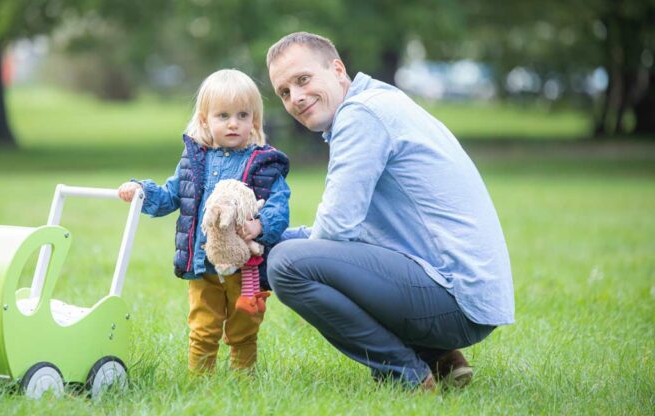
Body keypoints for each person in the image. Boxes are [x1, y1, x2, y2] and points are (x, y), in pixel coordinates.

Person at [265, 32, 514, 390]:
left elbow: (335, 231)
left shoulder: (361, 115)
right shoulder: (376, 103)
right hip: (465, 292)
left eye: (303, 80)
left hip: (458, 295)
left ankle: (407, 374)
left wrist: (273, 248)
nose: (296, 98)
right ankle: (440, 358)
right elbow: (356, 237)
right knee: (286, 253)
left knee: (286, 265)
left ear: (337, 69)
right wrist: (268, 235)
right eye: (284, 92)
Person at [118, 69, 290, 372]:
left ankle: (244, 381)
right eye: (223, 115)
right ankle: (200, 382)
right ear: (204, 120)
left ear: (255, 121)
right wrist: (142, 191)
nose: (233, 123)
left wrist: (260, 226)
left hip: (245, 268)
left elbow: (278, 205)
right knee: (203, 328)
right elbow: (172, 195)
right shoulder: (195, 160)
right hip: (202, 266)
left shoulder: (263, 163)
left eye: (242, 115)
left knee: (244, 328)